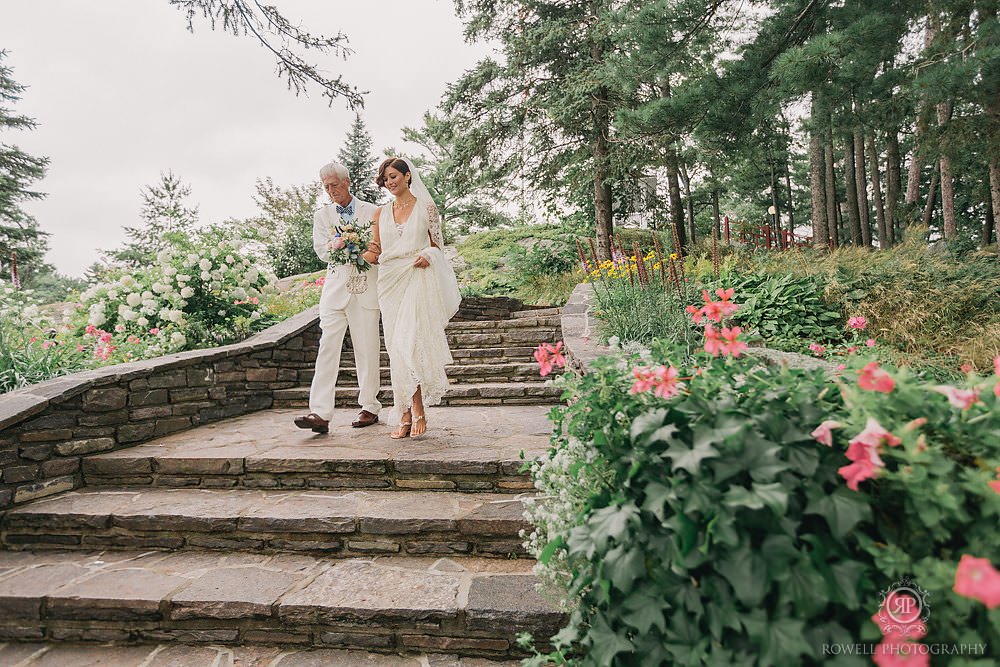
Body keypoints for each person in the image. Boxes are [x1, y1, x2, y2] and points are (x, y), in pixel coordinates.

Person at [368, 157, 461, 438]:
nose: (390, 182)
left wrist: (427, 256)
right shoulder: (380, 213)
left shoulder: (427, 208)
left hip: (417, 279)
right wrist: (346, 253)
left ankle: (415, 410)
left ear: (408, 176)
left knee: (410, 345)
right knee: (396, 351)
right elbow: (375, 249)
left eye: (394, 176)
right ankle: (405, 411)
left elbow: (437, 247)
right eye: (385, 179)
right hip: (390, 283)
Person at [294, 162, 382, 433]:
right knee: (326, 348)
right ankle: (319, 413)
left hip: (365, 289)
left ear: (347, 182)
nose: (330, 190)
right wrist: (344, 249)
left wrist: (359, 249)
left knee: (366, 350)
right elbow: (322, 250)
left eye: (334, 184)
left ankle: (370, 406)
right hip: (334, 292)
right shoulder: (322, 216)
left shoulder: (373, 211)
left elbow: (379, 246)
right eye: (326, 186)